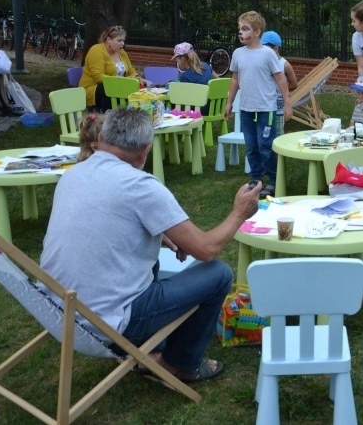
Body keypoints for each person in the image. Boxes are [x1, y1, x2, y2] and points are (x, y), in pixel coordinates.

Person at [40, 108, 262, 383]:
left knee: (152, 257)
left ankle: (152, 349)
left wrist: (160, 235)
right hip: (104, 325)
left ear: (103, 138)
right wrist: (239, 212)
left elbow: (106, 226)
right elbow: (206, 249)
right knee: (219, 274)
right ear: (145, 151)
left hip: (56, 310)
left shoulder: (73, 174)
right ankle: (178, 363)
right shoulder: (140, 185)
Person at [224, 11, 292, 198]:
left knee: (265, 145)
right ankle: (255, 179)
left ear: (257, 32)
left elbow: (281, 80)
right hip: (246, 108)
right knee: (252, 146)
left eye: (245, 29)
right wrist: (229, 102)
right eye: (239, 28)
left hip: (266, 109)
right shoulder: (238, 53)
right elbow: (235, 79)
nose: (240, 32)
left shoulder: (268, 54)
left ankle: (274, 179)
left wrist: (287, 103)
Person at [79, 25, 146, 110]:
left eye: (123, 40)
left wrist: (137, 78)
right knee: (111, 91)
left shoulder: (121, 52)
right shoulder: (96, 51)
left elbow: (130, 69)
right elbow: (98, 77)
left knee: (135, 87)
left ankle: (132, 115)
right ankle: (111, 118)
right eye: (119, 40)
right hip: (93, 89)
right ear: (108, 40)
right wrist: (124, 81)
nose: (122, 43)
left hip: (118, 87)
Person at [260, 31, 298, 136]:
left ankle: (276, 153)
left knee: (277, 136)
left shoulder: (284, 65)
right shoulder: (262, 63)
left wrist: (282, 88)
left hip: (279, 110)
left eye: (264, 48)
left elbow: (294, 84)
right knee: (264, 135)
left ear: (276, 49)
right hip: (264, 108)